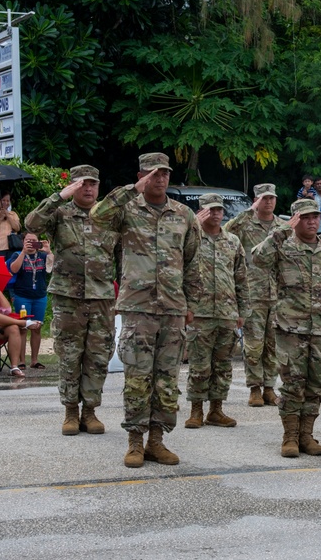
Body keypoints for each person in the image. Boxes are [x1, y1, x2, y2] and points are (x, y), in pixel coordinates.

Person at [90, 153, 201, 468]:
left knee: (166, 379)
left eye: (164, 173)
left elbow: (193, 263)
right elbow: (98, 215)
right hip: (138, 308)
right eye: (153, 174)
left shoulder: (184, 215)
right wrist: (130, 189)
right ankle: (135, 443)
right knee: (137, 377)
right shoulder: (127, 210)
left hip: (172, 309)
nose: (160, 179)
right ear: (141, 176)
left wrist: (191, 304)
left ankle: (157, 441)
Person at [25, 164, 119, 436]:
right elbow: (32, 224)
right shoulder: (60, 212)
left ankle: (90, 411)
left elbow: (123, 252)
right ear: (73, 186)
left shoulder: (110, 216)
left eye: (92, 184)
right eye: (82, 184)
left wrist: (124, 289)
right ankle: (70, 411)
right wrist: (60, 196)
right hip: (68, 297)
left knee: (98, 355)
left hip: (102, 297)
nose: (88, 189)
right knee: (69, 354)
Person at [252, 198, 321, 458]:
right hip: (290, 329)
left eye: (315, 216)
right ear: (295, 220)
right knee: (293, 384)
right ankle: (290, 437)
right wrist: (281, 231)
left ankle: (307, 435)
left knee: (316, 384)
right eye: (305, 217)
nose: (312, 221)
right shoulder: (283, 247)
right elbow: (258, 259)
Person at [183, 193, 248, 430]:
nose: (216, 214)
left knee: (223, 365)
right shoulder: (190, 239)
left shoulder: (232, 241)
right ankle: (196, 410)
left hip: (227, 312)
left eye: (219, 210)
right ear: (202, 212)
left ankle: (216, 410)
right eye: (211, 210)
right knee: (200, 364)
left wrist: (242, 310)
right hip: (199, 312)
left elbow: (241, 278)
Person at [225, 183, 287, 408]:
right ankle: (254, 388)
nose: (268, 202)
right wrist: (249, 211)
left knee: (273, 345)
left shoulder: (282, 225)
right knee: (253, 344)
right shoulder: (245, 223)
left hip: (278, 294)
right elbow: (225, 234)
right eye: (263, 198)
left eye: (271, 198)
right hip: (253, 292)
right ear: (256, 200)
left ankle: (270, 387)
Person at [7, 232, 53, 369]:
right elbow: (13, 269)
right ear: (23, 241)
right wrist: (23, 252)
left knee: (37, 327)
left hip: (40, 296)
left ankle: (34, 359)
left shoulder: (43, 256)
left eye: (34, 241)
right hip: (22, 296)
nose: (31, 243)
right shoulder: (17, 254)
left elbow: (52, 269)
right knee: (23, 327)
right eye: (28, 241)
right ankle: (21, 360)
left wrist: (49, 252)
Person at [0, 193, 21, 257]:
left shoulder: (13, 214)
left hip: (12, 247)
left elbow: (17, 228)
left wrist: (8, 215)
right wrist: (0, 218)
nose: (6, 203)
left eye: (8, 201)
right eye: (3, 200)